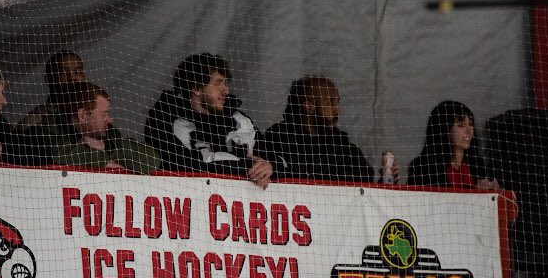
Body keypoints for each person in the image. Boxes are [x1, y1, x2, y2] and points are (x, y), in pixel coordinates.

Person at [144, 53, 275, 188]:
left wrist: (269, 167)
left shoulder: (241, 120)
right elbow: (182, 166)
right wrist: (248, 169)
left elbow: (277, 157)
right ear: (196, 88)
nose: (226, 91)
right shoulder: (165, 120)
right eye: (218, 83)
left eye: (225, 83)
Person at [261, 76, 398, 183]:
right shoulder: (277, 138)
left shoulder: (345, 148)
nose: (336, 110)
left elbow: (364, 196)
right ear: (308, 107)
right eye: (330, 103)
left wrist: (385, 182)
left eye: (337, 102)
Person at [49, 81, 160, 174]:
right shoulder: (49, 128)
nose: (109, 119)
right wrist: (104, 162)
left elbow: (151, 160)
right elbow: (58, 155)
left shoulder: (108, 131)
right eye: (103, 114)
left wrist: (105, 146)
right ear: (82, 115)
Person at [407, 100, 500, 189]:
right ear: (444, 129)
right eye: (461, 125)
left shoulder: (477, 163)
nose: (469, 131)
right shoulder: (422, 167)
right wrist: (475, 192)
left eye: (471, 124)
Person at [17, 50, 86, 132]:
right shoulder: (35, 122)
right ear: (49, 79)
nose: (72, 77)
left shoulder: (96, 111)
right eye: (63, 72)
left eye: (78, 71)